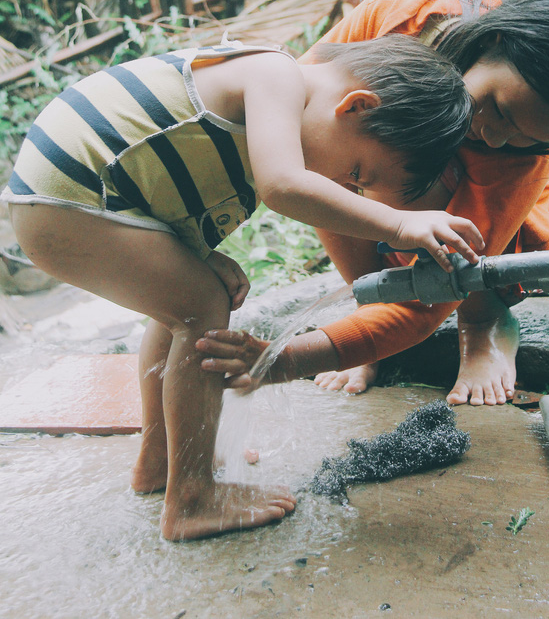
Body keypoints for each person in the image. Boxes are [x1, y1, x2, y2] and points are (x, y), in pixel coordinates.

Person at [2, 34, 484, 541]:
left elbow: (158, 176)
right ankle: (191, 499)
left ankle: (162, 457)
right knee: (200, 306)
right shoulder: (277, 75)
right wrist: (400, 226)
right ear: (357, 106)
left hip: (75, 199)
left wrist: (202, 254)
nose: (344, 187)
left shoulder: (265, 111)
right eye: (357, 173)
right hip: (70, 194)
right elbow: (283, 187)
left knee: (188, 300)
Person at [195, 0, 549, 403]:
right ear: (492, 41)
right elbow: (304, 144)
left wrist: (289, 360)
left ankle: (483, 321)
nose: (496, 137)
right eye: (501, 110)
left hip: (487, 215)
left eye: (531, 136)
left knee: (461, 246)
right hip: (400, 182)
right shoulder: (399, 19)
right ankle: (367, 311)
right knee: (341, 158)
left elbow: (437, 292)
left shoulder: (520, 160)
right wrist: (362, 326)